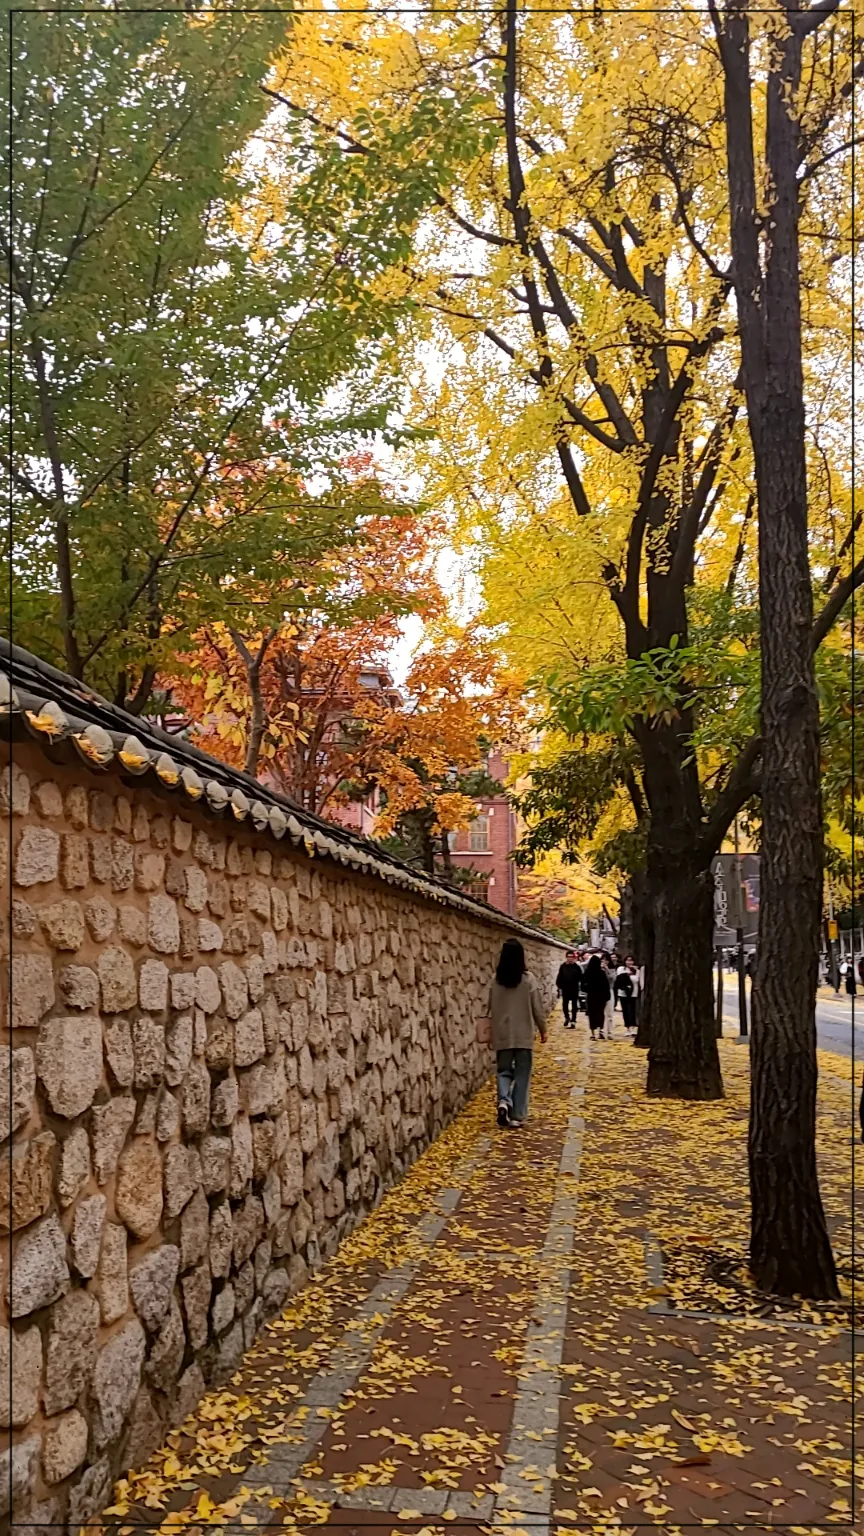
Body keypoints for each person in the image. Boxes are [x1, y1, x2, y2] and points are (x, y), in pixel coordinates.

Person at [489, 938, 548, 1129]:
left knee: (503, 1071)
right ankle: (517, 1115)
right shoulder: (528, 979)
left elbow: (488, 1006)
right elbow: (537, 1007)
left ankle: (504, 1101)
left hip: (502, 1033)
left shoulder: (495, 980)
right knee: (522, 1074)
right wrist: (543, 1029)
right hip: (523, 1035)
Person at [583, 953, 610, 1041]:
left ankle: (592, 1033)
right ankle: (601, 1030)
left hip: (591, 995)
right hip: (601, 996)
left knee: (592, 1014)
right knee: (600, 1013)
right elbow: (606, 985)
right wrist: (607, 996)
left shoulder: (587, 973)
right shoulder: (601, 973)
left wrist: (587, 989)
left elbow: (583, 985)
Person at [556, 950, 582, 1028]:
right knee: (565, 1004)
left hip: (574, 988)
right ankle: (567, 1017)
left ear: (574, 958)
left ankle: (573, 1020)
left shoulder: (576, 967)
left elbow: (580, 977)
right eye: (568, 957)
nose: (570, 958)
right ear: (566, 957)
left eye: (571, 957)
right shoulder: (563, 966)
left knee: (574, 1005)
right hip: (565, 988)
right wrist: (559, 987)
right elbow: (560, 977)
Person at [615, 957, 639, 1034]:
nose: (629, 962)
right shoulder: (621, 969)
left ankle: (633, 1027)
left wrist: (633, 971)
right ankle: (627, 1027)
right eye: (628, 960)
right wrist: (628, 974)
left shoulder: (637, 970)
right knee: (625, 1010)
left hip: (633, 993)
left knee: (632, 1010)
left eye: (631, 960)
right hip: (623, 993)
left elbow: (636, 980)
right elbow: (620, 978)